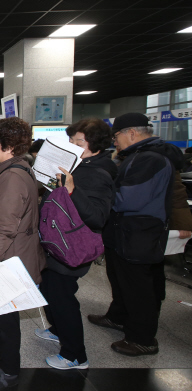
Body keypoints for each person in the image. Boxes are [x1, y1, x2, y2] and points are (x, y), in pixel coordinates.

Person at [89, 113, 183, 356]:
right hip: (125, 231)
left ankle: (142, 339)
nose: (114, 141)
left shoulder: (149, 159)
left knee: (138, 287)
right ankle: (118, 316)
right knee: (121, 279)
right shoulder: (137, 157)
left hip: (139, 232)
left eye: (116, 136)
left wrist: (101, 195)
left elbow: (129, 199)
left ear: (131, 132)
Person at [0, 117, 45, 390]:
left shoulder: (12, 178)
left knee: (5, 316)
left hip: (5, 259)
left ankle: (9, 370)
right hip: (11, 254)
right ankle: (4, 348)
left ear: (9, 146)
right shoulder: (14, 171)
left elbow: (5, 226)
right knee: (5, 313)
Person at [36, 118, 116, 370]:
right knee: (48, 290)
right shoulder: (79, 166)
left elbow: (97, 216)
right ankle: (58, 330)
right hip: (56, 241)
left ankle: (75, 355)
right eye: (70, 140)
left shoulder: (99, 173)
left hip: (73, 245)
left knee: (62, 297)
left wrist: (72, 190)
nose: (72, 145)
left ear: (96, 145)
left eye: (78, 141)